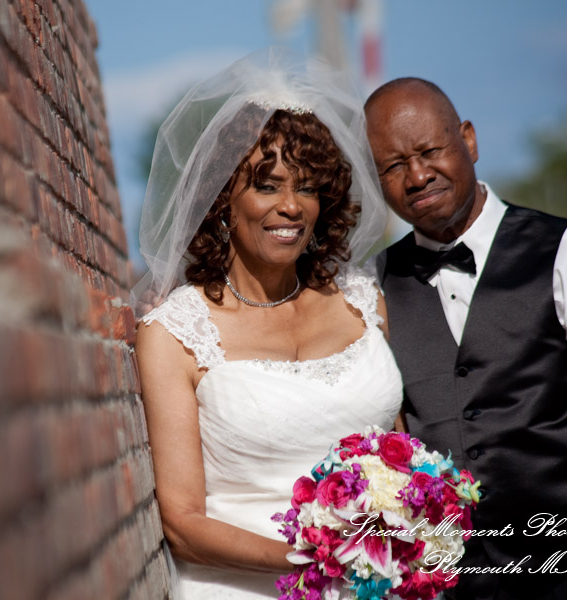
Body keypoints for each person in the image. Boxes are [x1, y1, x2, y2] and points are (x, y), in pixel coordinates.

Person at [365, 77, 567, 600]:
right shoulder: (372, 287)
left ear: (468, 140)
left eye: (429, 151)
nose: (417, 176)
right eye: (394, 166)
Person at [133, 49, 402, 598]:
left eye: (307, 187)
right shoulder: (174, 334)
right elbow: (182, 524)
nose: (291, 206)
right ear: (223, 198)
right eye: (268, 184)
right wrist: (319, 561)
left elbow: (399, 452)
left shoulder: (364, 303)